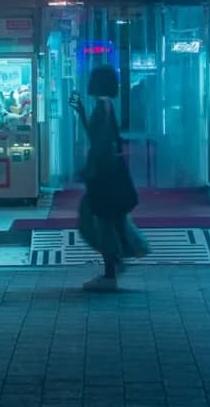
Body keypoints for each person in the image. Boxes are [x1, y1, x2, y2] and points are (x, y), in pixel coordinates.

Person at [69, 65, 141, 292]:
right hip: (110, 172)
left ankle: (111, 270)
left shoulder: (102, 107)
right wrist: (81, 113)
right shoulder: (107, 106)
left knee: (100, 221)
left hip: (103, 174)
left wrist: (90, 169)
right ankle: (116, 262)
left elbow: (99, 142)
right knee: (111, 220)